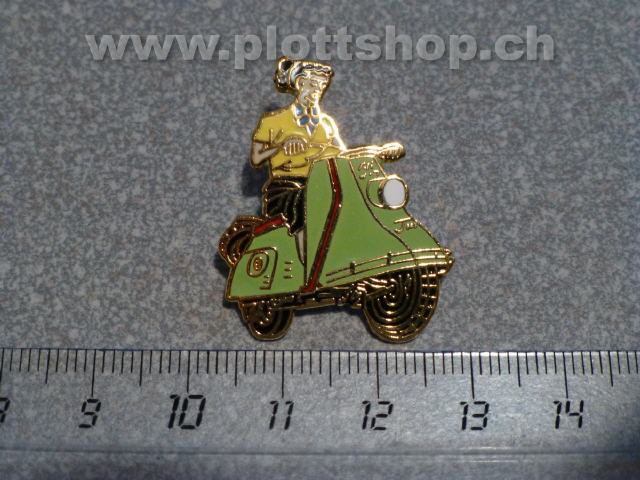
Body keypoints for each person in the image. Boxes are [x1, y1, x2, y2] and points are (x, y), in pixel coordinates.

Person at [250, 57, 346, 259]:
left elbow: (344, 155)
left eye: (322, 85)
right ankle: (308, 265)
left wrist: (379, 151)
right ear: (301, 83)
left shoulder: (327, 123)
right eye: (314, 84)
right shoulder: (272, 121)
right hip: (286, 187)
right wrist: (281, 146)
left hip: (324, 182)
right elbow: (256, 158)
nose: (318, 90)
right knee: (307, 201)